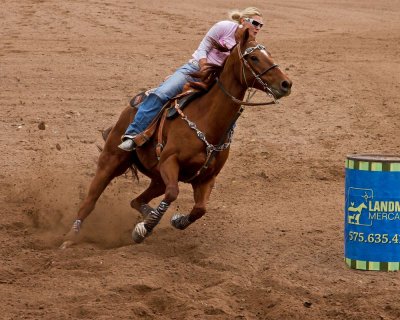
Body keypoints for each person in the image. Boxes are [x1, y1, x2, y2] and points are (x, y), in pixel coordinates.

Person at [118, 7, 264, 151]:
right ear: (244, 21)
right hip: (194, 69)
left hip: (216, 81)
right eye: (255, 23)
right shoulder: (224, 27)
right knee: (163, 92)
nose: (258, 28)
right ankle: (133, 134)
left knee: (229, 112)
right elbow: (203, 47)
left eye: (261, 26)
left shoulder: (248, 44)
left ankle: (218, 148)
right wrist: (203, 66)